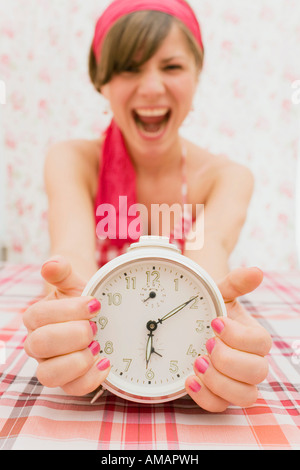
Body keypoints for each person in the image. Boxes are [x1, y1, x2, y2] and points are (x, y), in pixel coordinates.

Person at [23, 0, 272, 412]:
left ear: (197, 74)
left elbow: (206, 264)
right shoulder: (73, 161)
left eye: (171, 67)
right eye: (129, 68)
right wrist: (64, 311)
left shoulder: (226, 177)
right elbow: (70, 260)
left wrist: (223, 326)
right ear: (100, 81)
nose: (152, 87)